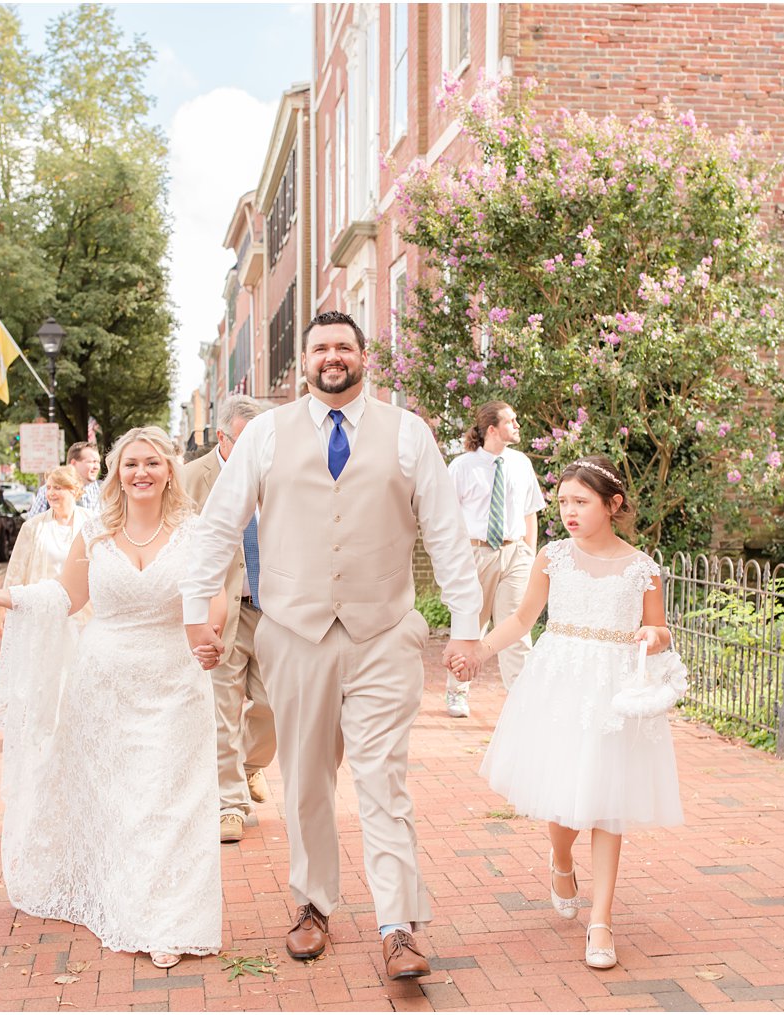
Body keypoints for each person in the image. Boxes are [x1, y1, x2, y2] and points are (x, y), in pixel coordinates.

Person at [181, 310, 484, 980]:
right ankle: (312, 904)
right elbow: (215, 527)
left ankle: (399, 924)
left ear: (363, 356)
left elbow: (446, 534)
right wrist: (193, 612)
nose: (332, 355)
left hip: (383, 632)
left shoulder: (408, 435)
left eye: (344, 345)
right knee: (307, 780)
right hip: (295, 631)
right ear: (306, 360)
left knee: (383, 778)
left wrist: (466, 622)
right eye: (321, 347)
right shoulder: (264, 435)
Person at [0, 426, 226, 972]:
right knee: (123, 799)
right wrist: (5, 596)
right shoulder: (97, 531)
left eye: (152, 463)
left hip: (176, 681)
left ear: (169, 470)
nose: (141, 473)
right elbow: (67, 594)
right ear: (116, 473)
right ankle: (124, 897)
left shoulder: (195, 531)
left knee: (168, 800)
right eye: (130, 464)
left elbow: (212, 596)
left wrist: (210, 637)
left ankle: (169, 919)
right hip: (104, 684)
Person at [471, 455, 686, 970]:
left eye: (581, 502)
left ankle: (601, 921)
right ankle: (561, 861)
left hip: (612, 690)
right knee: (563, 795)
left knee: (607, 801)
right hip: (560, 680)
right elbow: (523, 617)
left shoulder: (642, 568)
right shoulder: (552, 557)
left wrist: (651, 634)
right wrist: (476, 652)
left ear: (612, 505)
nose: (569, 511)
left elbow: (661, 631)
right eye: (564, 501)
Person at [181, 395, 277, 844]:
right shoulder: (190, 480)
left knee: (275, 705)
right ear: (222, 437)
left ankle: (250, 765)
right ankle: (229, 803)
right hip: (222, 607)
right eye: (246, 441)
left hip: (274, 610)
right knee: (222, 709)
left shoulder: (278, 471)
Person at [444, 400, 546, 717]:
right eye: (511, 421)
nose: (517, 425)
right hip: (475, 554)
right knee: (470, 625)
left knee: (516, 628)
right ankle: (457, 692)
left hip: (515, 553)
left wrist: (529, 555)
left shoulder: (521, 463)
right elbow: (446, 518)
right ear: (492, 429)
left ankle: (521, 700)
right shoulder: (461, 467)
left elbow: (531, 513)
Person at [0, 463, 88, 728]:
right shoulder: (34, 527)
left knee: (77, 677)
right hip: (43, 614)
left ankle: (74, 729)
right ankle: (46, 732)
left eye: (59, 488)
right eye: (49, 488)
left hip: (83, 616)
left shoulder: (91, 524)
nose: (52, 493)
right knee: (44, 678)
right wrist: (2, 611)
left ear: (74, 490)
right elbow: (16, 572)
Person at [27, 442, 102, 518]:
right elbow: (32, 526)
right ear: (73, 463)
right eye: (92, 462)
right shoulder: (49, 491)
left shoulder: (105, 490)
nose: (96, 467)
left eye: (98, 462)